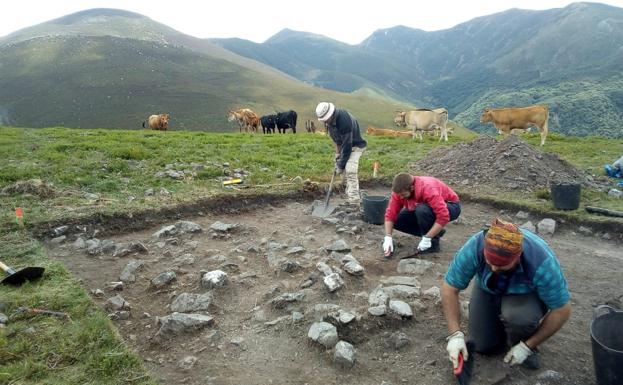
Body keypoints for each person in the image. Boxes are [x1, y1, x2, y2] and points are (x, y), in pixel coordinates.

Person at [441, 218, 571, 371]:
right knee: (482, 345)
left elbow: (562, 309)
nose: (495, 269)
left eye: (502, 265)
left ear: (519, 255)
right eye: (490, 262)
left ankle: (522, 342)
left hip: (524, 293)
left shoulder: (541, 262)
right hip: (488, 288)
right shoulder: (476, 246)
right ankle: (498, 327)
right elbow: (449, 287)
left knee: (519, 318)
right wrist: (455, 335)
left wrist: (527, 346)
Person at [382, 172, 460, 257]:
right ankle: (435, 232)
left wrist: (427, 238)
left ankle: (432, 244)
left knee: (422, 210)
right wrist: (388, 237)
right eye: (399, 195)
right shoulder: (400, 191)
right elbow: (390, 215)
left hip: (450, 206)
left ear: (412, 188)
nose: (401, 198)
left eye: (403, 195)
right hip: (423, 207)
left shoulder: (428, 188)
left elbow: (443, 216)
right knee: (397, 220)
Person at [315, 102, 367, 204]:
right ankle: (351, 193)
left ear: (331, 114)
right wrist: (337, 156)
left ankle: (354, 202)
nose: (325, 121)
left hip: (355, 146)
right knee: (344, 175)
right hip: (345, 147)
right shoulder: (328, 123)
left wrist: (341, 165)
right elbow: (336, 141)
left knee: (350, 170)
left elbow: (348, 145)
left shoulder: (344, 120)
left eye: (326, 119)